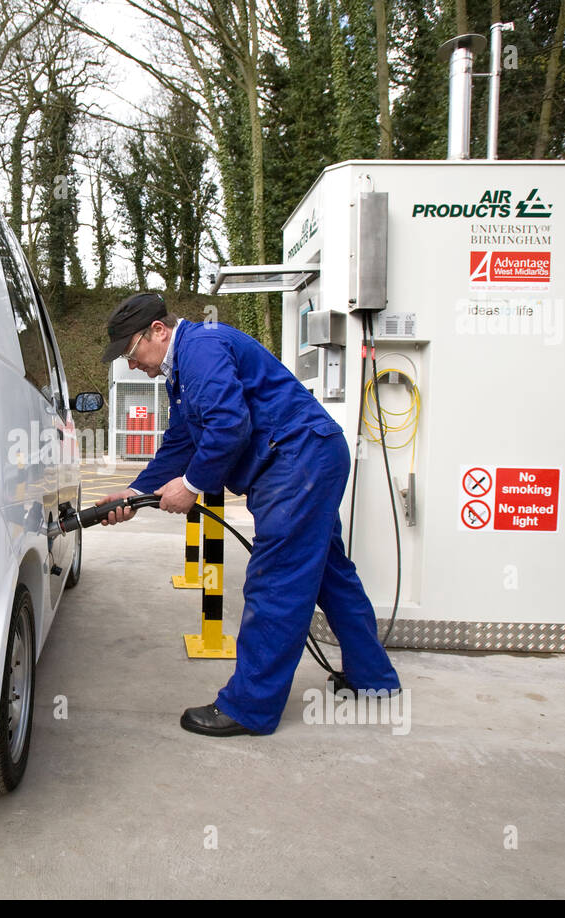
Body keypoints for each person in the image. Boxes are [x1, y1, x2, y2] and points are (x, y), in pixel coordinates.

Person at [96, 293, 401, 736]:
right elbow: (182, 442)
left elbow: (228, 425)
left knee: (275, 580)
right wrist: (136, 492)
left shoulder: (200, 349)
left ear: (158, 331)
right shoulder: (183, 368)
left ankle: (250, 707)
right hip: (305, 458)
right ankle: (373, 678)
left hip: (297, 461)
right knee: (329, 575)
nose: (131, 363)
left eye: (131, 352)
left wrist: (192, 486)